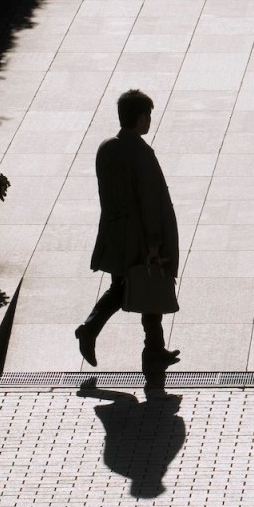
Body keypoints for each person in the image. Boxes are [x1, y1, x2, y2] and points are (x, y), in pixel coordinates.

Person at [76, 89, 180, 392]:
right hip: (139, 236)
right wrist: (155, 241)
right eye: (148, 115)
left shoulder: (107, 148)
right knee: (144, 285)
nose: (150, 120)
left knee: (127, 286)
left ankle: (152, 349)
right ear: (140, 117)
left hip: (115, 232)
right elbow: (149, 201)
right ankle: (96, 332)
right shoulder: (141, 153)